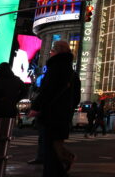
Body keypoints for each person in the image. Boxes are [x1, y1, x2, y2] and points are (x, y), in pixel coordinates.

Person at [30, 40, 81, 177]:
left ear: (57, 52)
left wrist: (36, 107)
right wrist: (67, 109)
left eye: (52, 50)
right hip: (63, 116)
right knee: (56, 146)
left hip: (51, 114)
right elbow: (76, 98)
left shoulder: (55, 68)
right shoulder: (72, 73)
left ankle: (57, 170)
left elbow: (47, 91)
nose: (50, 53)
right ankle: (61, 166)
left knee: (49, 149)